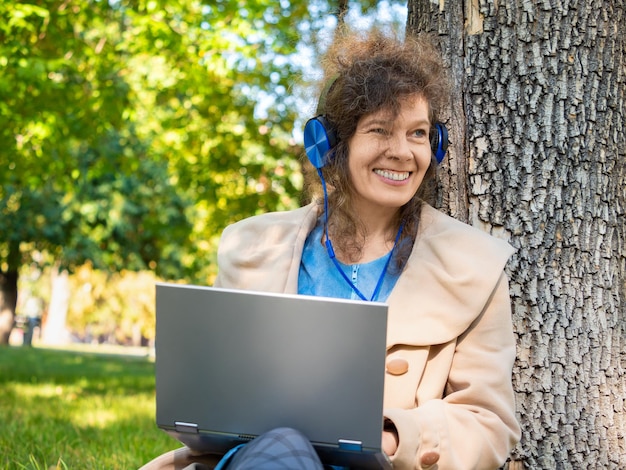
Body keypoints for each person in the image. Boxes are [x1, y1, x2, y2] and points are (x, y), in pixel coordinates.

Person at [142, 28, 521, 470]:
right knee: (286, 447)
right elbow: (212, 392)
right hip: (263, 460)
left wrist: (392, 438)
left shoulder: (473, 264)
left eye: (417, 134)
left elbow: (488, 421)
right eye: (381, 130)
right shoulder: (252, 246)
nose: (402, 152)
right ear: (328, 144)